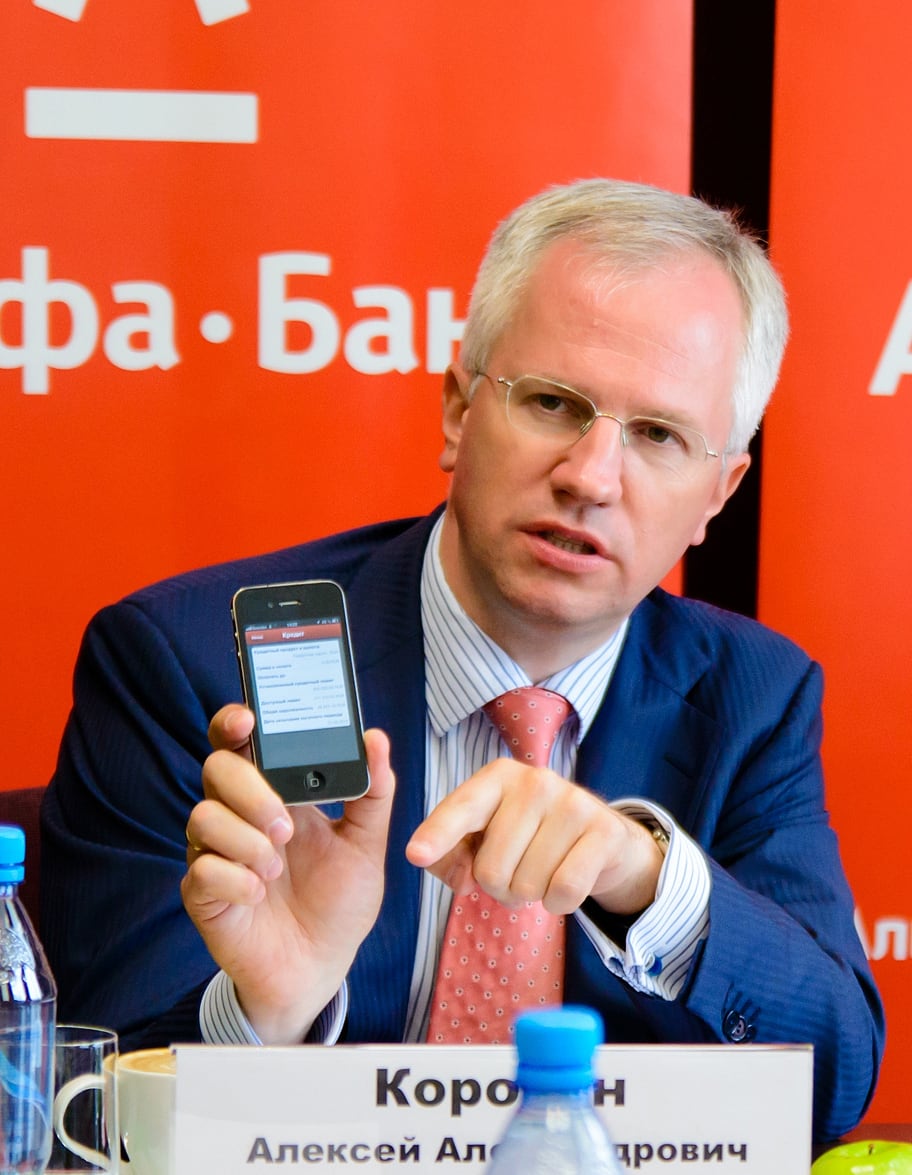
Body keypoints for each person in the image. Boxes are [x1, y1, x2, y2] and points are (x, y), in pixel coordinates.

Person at [40, 178, 884, 1143]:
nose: (590, 478)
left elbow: (831, 1081)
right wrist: (265, 1013)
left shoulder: (753, 696)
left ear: (718, 494)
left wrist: (648, 879)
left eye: (658, 435)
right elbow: (87, 1107)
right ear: (456, 410)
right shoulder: (187, 664)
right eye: (554, 403)